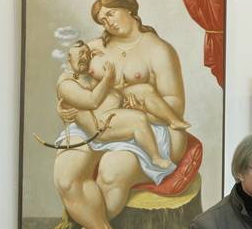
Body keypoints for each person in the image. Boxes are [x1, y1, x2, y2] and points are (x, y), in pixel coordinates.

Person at [53, 0, 190, 229]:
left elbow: (175, 104)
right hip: (98, 121)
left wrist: (140, 109)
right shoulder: (95, 47)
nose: (108, 23)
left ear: (128, 8)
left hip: (149, 129)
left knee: (112, 170)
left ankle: (96, 228)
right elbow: (73, 79)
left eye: (111, 13)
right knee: (66, 174)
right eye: (103, 20)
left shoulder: (159, 50)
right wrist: (65, 105)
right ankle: (96, 223)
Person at [58, 40, 177, 170]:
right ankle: (156, 158)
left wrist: (118, 90)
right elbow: (92, 102)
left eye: (87, 53)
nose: (85, 58)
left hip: (111, 109)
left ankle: (173, 120)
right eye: (81, 53)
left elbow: (104, 91)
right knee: (139, 118)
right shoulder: (66, 85)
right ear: (69, 57)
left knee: (145, 90)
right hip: (100, 127)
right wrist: (107, 77)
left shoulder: (84, 75)